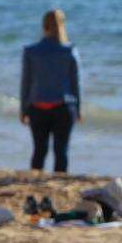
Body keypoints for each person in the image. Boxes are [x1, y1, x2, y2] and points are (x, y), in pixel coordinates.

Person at [20, 9, 82, 173]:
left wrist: (23, 109)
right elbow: (76, 83)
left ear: (43, 26)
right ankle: (59, 180)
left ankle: (34, 181)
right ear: (63, 26)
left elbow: (25, 83)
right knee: (61, 151)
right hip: (63, 106)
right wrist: (78, 109)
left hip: (37, 107)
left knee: (39, 150)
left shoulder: (31, 51)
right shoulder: (69, 51)